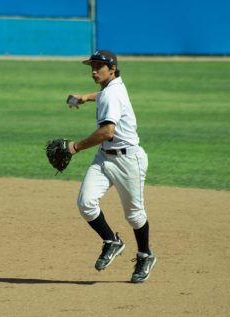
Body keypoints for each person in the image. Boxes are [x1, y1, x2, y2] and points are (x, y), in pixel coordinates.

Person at [66, 50, 156, 283]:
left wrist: (75, 147)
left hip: (128, 161)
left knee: (135, 215)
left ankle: (145, 254)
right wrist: (86, 97)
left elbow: (107, 131)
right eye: (92, 67)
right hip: (104, 157)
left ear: (112, 69)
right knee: (86, 203)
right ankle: (111, 241)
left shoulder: (111, 94)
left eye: (98, 67)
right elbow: (104, 95)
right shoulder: (112, 88)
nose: (94, 71)